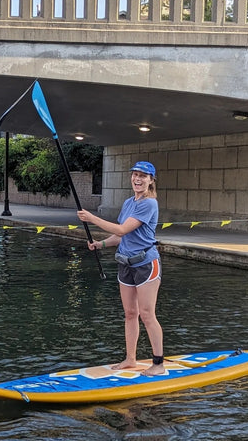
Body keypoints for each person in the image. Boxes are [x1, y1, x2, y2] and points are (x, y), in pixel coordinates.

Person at [77, 161, 164, 376]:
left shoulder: (149, 203)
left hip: (146, 264)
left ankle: (159, 364)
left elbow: (122, 228)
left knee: (147, 314)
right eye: (135, 174)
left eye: (143, 176)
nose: (138, 178)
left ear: (151, 180)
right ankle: (130, 359)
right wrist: (101, 244)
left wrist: (91, 218)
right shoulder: (128, 203)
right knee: (130, 313)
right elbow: (120, 236)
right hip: (125, 264)